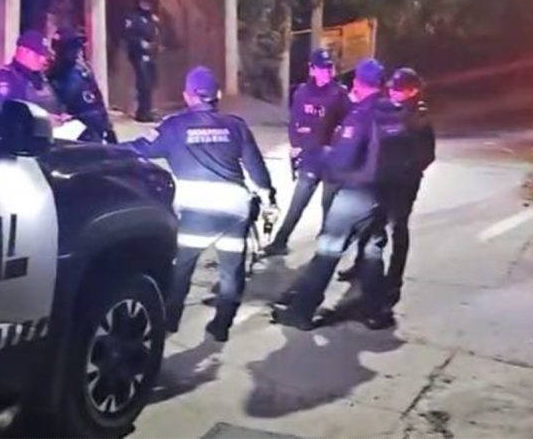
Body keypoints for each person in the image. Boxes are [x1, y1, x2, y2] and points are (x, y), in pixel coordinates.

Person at [125, 66, 276, 342]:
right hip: (234, 209)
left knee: (180, 271)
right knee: (231, 272)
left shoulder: (173, 126)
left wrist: (94, 146)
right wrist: (268, 200)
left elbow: (136, 149)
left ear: (187, 95)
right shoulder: (236, 126)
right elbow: (257, 171)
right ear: (218, 95)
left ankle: (168, 322)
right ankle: (221, 326)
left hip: (195, 211)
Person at [271, 58, 402, 331]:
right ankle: (375, 311)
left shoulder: (361, 116)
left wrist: (324, 157)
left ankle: (301, 311)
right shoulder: (394, 112)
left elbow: (343, 160)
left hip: (356, 192)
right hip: (385, 192)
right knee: (372, 249)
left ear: (358, 83)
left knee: (328, 249)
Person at [338, 68, 435, 313]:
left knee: (398, 228)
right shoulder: (386, 110)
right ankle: (361, 265)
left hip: (404, 183)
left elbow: (427, 155)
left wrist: (406, 169)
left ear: (413, 90)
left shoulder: (419, 117)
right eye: (391, 88)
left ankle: (394, 280)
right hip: (381, 179)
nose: (393, 92)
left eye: (399, 89)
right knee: (370, 224)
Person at [263, 48, 350, 256]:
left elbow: (348, 124)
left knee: (329, 205)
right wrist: (295, 146)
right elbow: (295, 123)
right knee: (298, 203)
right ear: (312, 69)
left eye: (329, 68)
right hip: (310, 157)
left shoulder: (340, 94)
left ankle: (325, 248)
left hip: (331, 159)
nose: (326, 72)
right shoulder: (302, 93)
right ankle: (280, 242)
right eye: (322, 68)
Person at [46, 26, 117, 143]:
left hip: (88, 132)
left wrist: (108, 130)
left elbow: (96, 106)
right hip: (64, 133)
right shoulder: (51, 73)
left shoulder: (82, 73)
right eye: (73, 46)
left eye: (78, 47)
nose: (77, 51)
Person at [0, 30, 57, 113]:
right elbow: (6, 112)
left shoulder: (41, 77)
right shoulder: (6, 78)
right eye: (40, 54)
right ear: (24, 51)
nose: (43, 59)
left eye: (45, 55)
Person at [124, 0, 161, 122]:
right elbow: (129, 35)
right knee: (143, 83)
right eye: (144, 2)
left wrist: (155, 45)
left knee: (150, 83)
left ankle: (148, 110)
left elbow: (156, 34)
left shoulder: (152, 18)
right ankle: (142, 112)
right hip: (138, 54)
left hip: (151, 53)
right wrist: (141, 43)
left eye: (148, 2)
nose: (146, 5)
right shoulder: (133, 17)